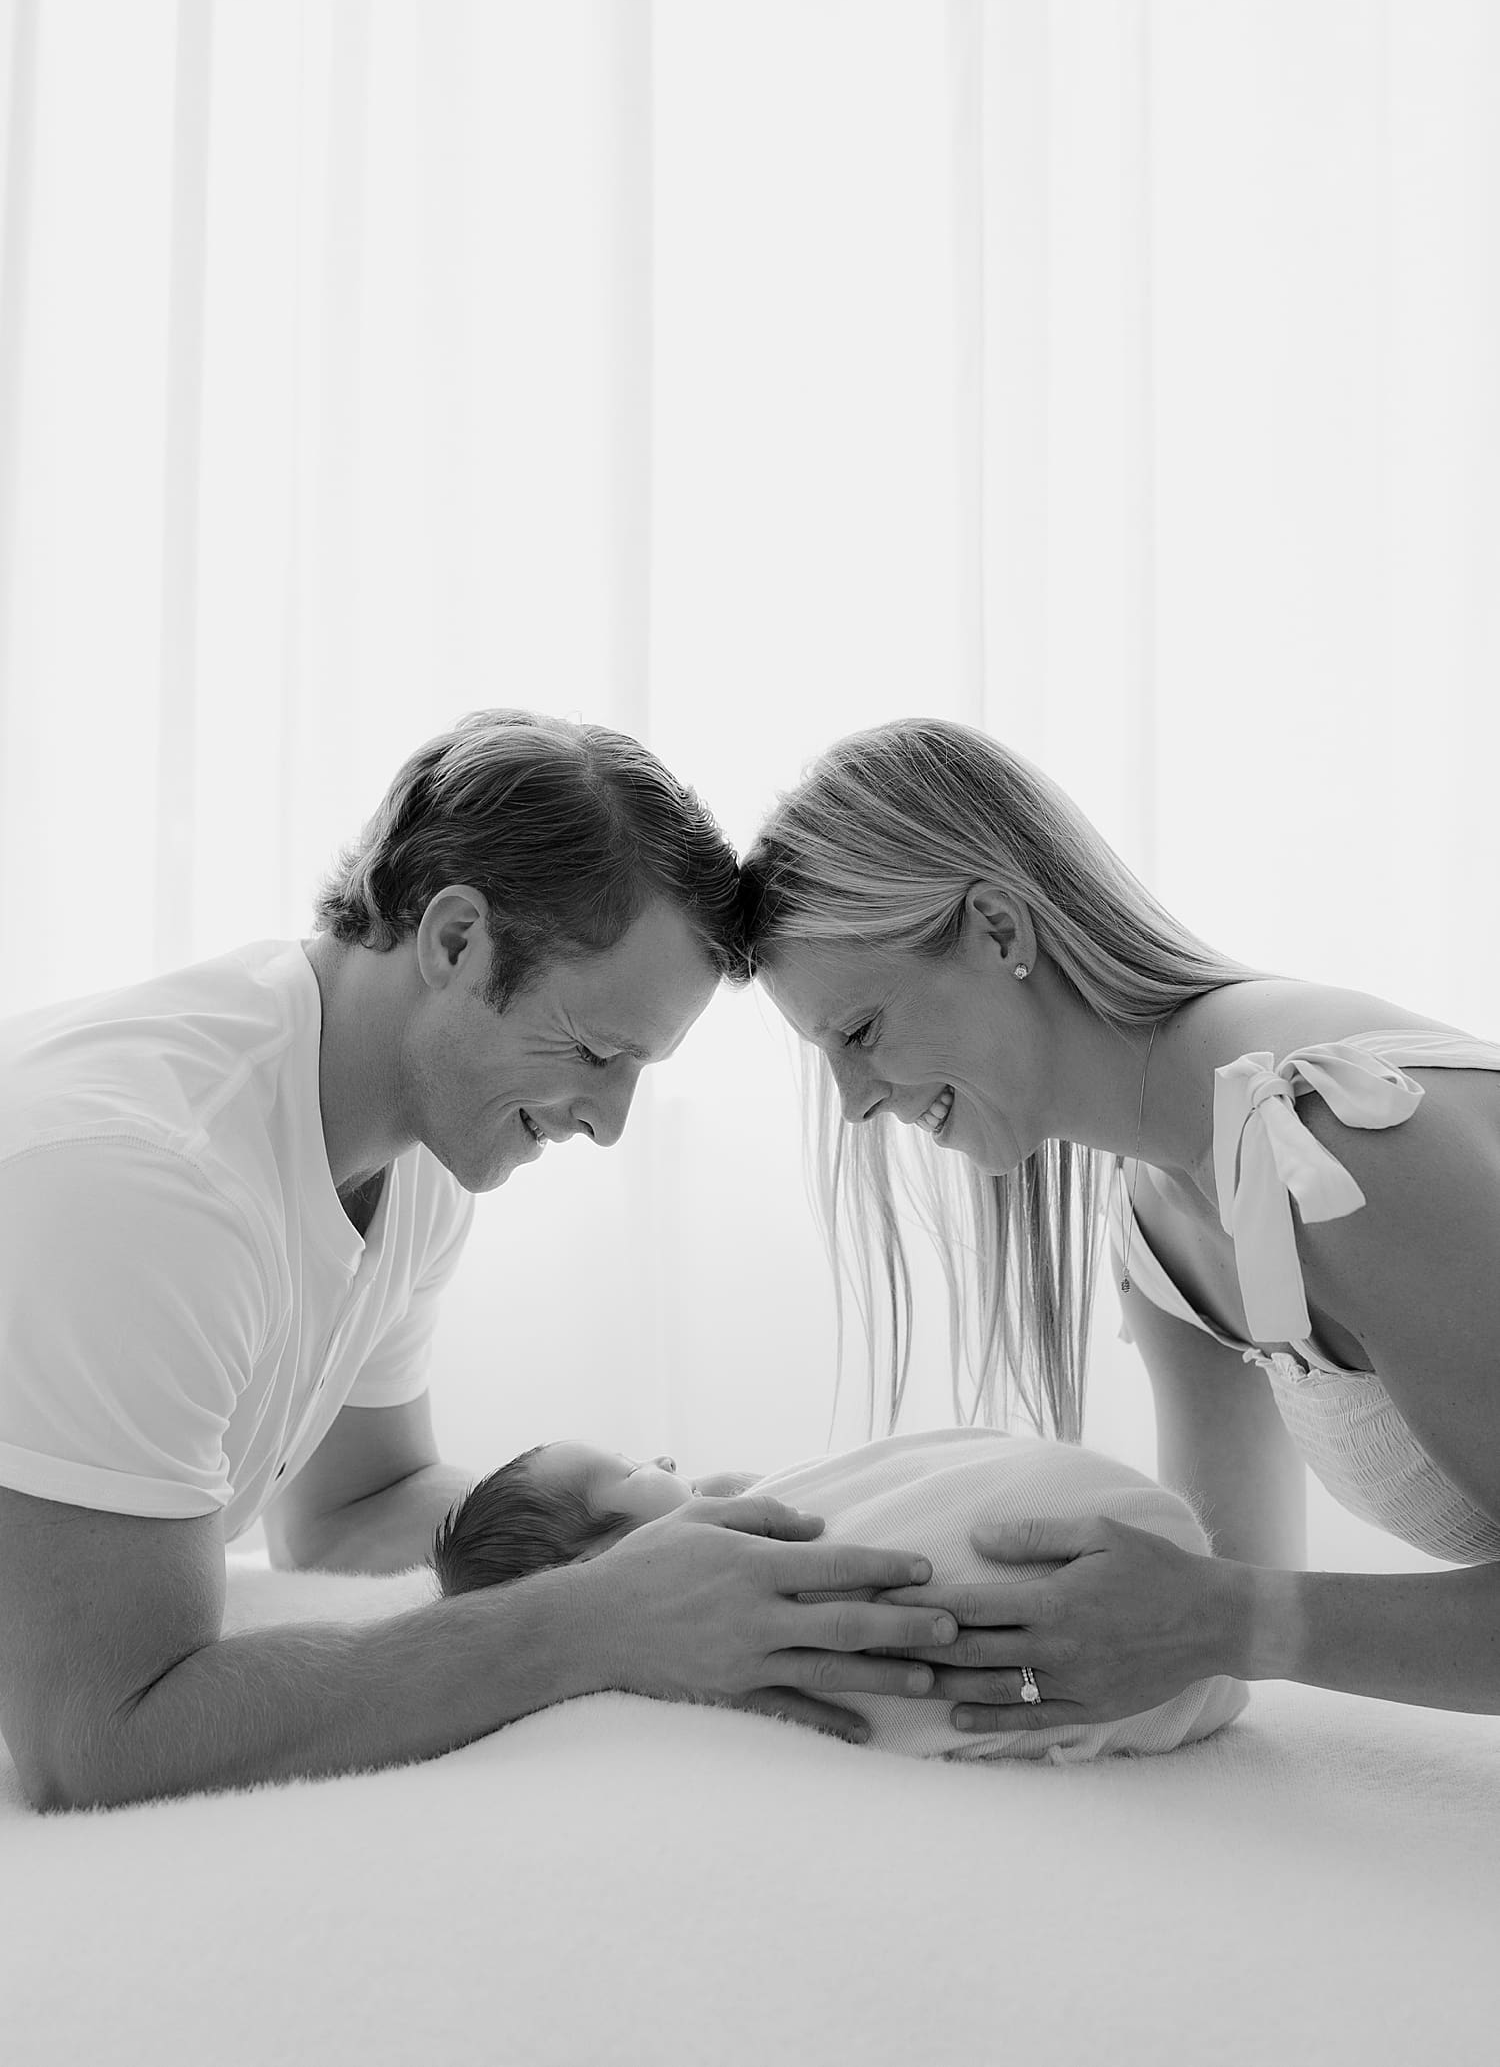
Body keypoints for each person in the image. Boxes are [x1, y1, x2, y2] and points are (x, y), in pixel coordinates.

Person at [0, 709, 959, 1814]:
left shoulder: (405, 1154)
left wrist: (647, 1535)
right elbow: (95, 1740)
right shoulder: (151, 1185)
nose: (607, 1122)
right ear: (456, 942)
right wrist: (598, 1622)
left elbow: (358, 1506)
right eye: (597, 1053)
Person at [735, 715, 1500, 1741]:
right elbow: (1214, 1643)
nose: (856, 1105)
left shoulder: (1333, 1137)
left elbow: (1232, 1617)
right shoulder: (1160, 1231)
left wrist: (1224, 1618)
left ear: (1001, 930)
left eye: (861, 1034)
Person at [430, 1428, 1248, 1762]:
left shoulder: (771, 1505)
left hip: (1117, 1541)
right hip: (1122, 1540)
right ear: (614, 1557)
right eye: (640, 1472)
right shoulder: (691, 1595)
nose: (673, 1466)